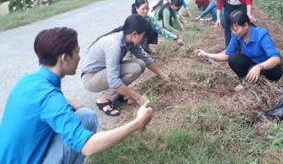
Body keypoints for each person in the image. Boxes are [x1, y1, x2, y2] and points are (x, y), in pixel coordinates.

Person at [0, 27, 153, 164]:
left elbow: (38, 107)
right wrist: (138, 122)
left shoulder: (29, 80)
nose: (79, 57)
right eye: (77, 52)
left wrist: (66, 101)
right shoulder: (50, 98)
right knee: (87, 118)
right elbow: (88, 146)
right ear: (64, 58)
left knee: (82, 114)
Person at [81, 14, 170, 116]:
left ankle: (119, 93)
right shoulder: (114, 44)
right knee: (134, 69)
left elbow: (146, 59)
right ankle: (104, 99)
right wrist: (138, 98)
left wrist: (162, 75)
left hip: (103, 72)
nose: (144, 40)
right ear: (135, 34)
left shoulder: (129, 40)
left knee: (140, 64)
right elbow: (113, 80)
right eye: (143, 36)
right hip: (91, 78)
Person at [195, 10, 283, 92]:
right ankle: (246, 83)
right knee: (233, 58)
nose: (233, 32)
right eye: (232, 29)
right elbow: (226, 55)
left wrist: (259, 67)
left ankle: (261, 84)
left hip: (269, 69)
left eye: (236, 29)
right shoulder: (237, 36)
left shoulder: (261, 34)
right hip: (252, 66)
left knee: (252, 69)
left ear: (246, 26)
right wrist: (206, 54)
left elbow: (276, 58)